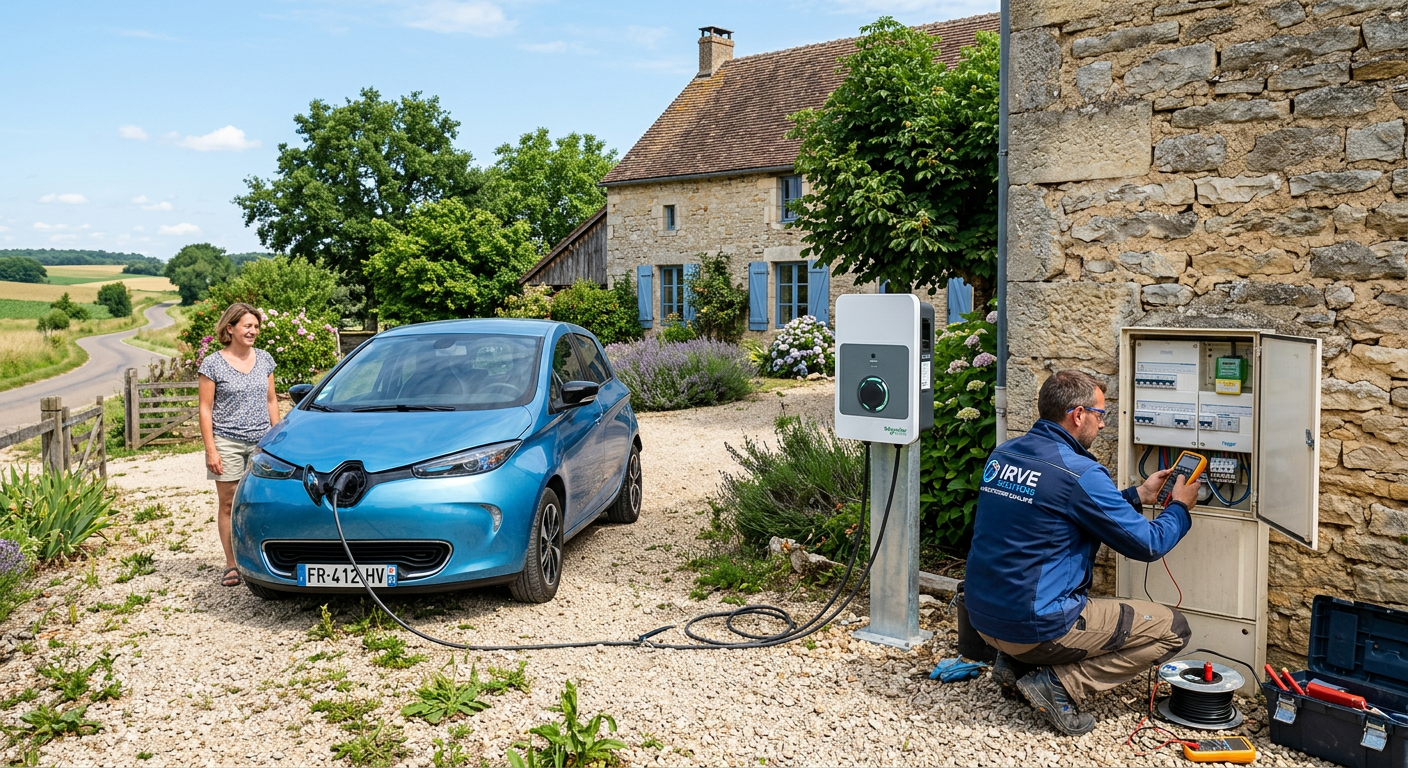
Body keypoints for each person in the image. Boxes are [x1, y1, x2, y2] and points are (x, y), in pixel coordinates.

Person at [965, 370, 1200, 736]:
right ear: (1078, 415)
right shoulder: (1080, 472)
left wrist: (1136, 496)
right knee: (1174, 629)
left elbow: (1060, 509)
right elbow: (1149, 544)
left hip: (983, 620)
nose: (1103, 425)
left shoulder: (1003, 455)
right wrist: (1180, 508)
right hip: (1036, 629)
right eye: (1100, 414)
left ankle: (1012, 665)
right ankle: (1060, 684)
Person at [198, 303, 279, 587]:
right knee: (229, 503)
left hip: (261, 443)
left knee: (264, 501)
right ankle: (232, 564)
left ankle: (263, 560)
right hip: (227, 441)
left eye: (256, 326)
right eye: (247, 326)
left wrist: (276, 439)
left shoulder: (266, 359)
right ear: (230, 328)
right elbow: (205, 409)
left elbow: (271, 401)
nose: (253, 331)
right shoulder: (212, 363)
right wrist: (211, 449)